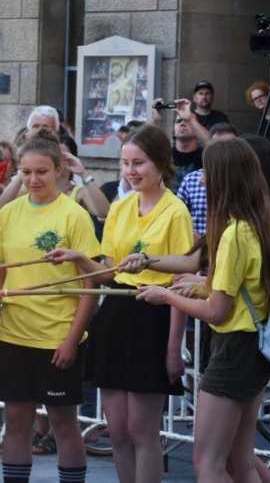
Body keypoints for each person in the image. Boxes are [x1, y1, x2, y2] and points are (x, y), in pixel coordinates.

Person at [134, 138, 270, 482]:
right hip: (258, 346)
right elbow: (253, 286)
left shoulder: (235, 233)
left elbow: (218, 311)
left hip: (234, 347)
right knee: (241, 460)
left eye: (207, 172)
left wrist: (168, 296)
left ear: (224, 178)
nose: (201, 180)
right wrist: (202, 283)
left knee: (209, 464)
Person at [48, 125, 193, 483]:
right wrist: (81, 257)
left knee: (143, 431)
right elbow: (109, 272)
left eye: (138, 163)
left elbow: (182, 282)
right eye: (125, 163)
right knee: (118, 431)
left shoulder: (176, 211)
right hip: (116, 313)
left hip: (154, 313)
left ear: (161, 162)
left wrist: (174, 347)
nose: (130, 171)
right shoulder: (121, 207)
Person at [0, 127, 99, 483]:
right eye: (26, 172)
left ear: (59, 170)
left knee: (63, 423)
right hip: (14, 336)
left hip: (56, 339)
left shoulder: (73, 215)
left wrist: (70, 340)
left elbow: (90, 285)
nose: (33, 179)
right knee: (17, 422)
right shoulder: (8, 214)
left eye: (42, 172)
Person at [177, 122, 239, 238]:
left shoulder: (244, 181)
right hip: (196, 250)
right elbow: (177, 219)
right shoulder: (191, 180)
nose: (223, 151)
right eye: (218, 145)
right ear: (208, 147)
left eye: (229, 146)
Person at [171, 115, 203, 192]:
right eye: (178, 121)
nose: (182, 123)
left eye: (188, 121)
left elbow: (214, 145)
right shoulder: (165, 155)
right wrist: (155, 121)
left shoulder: (206, 156)